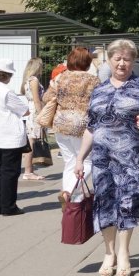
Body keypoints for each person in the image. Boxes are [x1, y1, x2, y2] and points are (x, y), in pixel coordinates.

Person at [74, 39, 139, 276]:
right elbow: (91, 127)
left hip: (131, 159)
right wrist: (79, 159)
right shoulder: (99, 90)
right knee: (105, 203)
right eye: (117, 58)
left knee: (127, 203)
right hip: (102, 159)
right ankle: (109, 253)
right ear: (109, 60)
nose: (122, 63)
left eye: (127, 59)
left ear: (133, 61)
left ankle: (124, 253)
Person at [41, 47, 99, 202]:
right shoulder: (92, 80)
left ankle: (67, 191)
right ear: (87, 62)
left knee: (70, 161)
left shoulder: (60, 77)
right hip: (82, 125)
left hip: (61, 124)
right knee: (86, 161)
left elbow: (46, 98)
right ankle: (71, 192)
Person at [0, 58, 28, 216]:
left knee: (2, 172)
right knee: (11, 173)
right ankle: (9, 207)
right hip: (10, 136)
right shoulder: (6, 91)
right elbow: (24, 110)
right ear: (6, 75)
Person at [20, 58, 45, 181]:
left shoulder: (27, 80)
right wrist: (42, 115)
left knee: (31, 140)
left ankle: (29, 170)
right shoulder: (34, 80)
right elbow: (37, 100)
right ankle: (28, 171)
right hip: (35, 111)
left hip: (30, 110)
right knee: (32, 142)